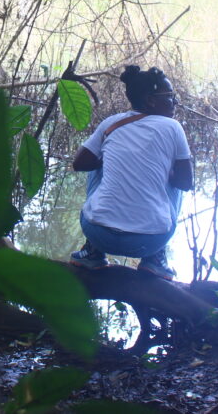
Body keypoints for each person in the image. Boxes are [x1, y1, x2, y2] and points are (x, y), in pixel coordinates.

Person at [69, 65, 193, 280]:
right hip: (150, 241)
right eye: (170, 96)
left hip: (98, 234)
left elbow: (80, 163)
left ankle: (93, 252)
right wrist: (164, 171)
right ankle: (155, 259)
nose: (175, 102)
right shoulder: (173, 127)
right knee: (175, 182)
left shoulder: (112, 123)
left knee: (97, 166)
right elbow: (185, 183)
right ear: (151, 101)